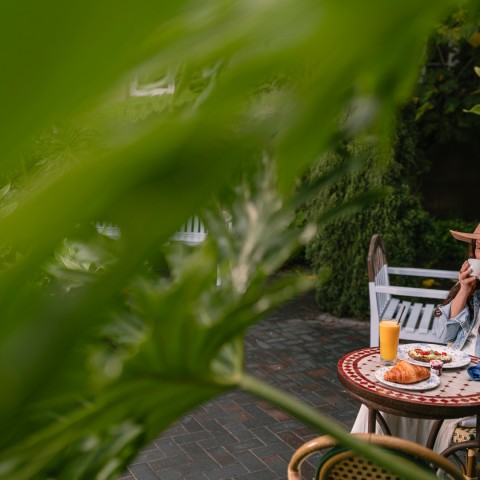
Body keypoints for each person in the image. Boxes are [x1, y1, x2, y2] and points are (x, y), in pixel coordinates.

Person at [351, 223, 480, 453]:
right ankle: (359, 466)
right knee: (381, 401)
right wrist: (463, 290)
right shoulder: (472, 289)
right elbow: (443, 334)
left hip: (470, 391)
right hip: (450, 373)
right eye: (479, 247)